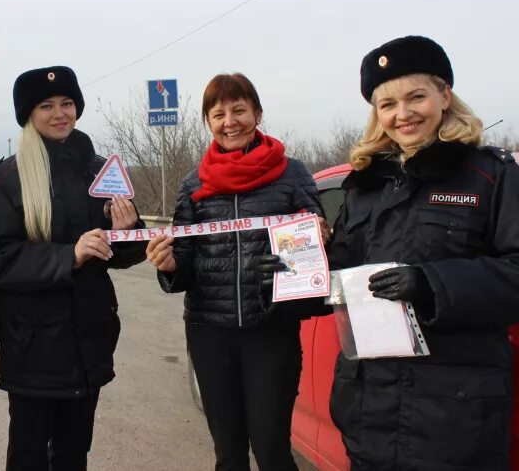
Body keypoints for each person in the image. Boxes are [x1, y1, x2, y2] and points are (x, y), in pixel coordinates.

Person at [326, 35, 519, 470]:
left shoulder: (491, 176)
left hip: (454, 415)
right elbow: (340, 275)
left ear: (445, 95)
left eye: (416, 97)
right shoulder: (366, 184)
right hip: (368, 411)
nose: (403, 114)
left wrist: (432, 285)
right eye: (387, 104)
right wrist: (290, 271)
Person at [0, 65, 147, 470]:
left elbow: (123, 254)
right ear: (28, 115)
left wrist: (128, 231)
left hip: (90, 340)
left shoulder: (101, 172)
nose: (59, 113)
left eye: (67, 103)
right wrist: (69, 255)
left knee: (73, 453)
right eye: (46, 105)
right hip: (33, 345)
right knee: (28, 455)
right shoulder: (4, 179)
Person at [146, 72, 327, 471]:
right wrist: (171, 265)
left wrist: (297, 253)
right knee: (228, 454)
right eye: (218, 113)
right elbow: (185, 261)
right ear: (208, 122)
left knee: (272, 451)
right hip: (210, 333)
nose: (230, 121)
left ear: (257, 114)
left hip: (271, 331)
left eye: (239, 110)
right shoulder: (192, 183)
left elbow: (314, 248)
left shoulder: (292, 173)